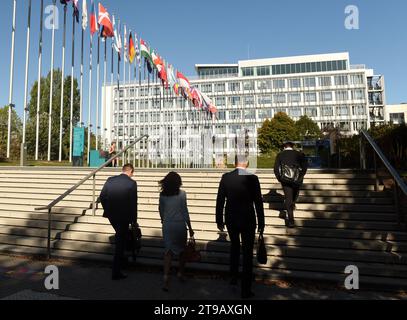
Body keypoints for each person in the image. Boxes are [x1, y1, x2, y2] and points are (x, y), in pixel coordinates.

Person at [216, 156, 265, 299]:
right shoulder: (252, 178)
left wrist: (219, 219)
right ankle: (246, 289)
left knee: (235, 247)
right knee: (248, 252)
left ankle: (233, 277)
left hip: (231, 218)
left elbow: (220, 199)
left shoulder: (226, 177)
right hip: (248, 218)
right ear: (247, 163)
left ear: (235, 163)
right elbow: (258, 202)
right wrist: (261, 222)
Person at [99, 164, 138, 280]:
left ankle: (122, 262)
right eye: (132, 173)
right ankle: (116, 271)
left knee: (121, 237)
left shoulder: (110, 180)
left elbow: (102, 196)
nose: (132, 175)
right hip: (124, 216)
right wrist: (134, 220)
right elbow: (133, 203)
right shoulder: (132, 183)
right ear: (130, 171)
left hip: (112, 215)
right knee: (120, 242)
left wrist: (108, 209)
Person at [159, 172, 194, 292]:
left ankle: (165, 277)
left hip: (168, 225)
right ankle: (180, 272)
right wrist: (190, 227)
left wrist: (164, 221)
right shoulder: (182, 194)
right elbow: (185, 211)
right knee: (181, 251)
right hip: (179, 225)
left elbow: (161, 210)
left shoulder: (162, 195)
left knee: (168, 252)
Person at [274, 141, 308, 228]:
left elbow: (275, 168)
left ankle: (291, 221)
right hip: (297, 179)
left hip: (285, 180)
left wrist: (279, 178)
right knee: (295, 195)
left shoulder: (280, 154)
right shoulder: (299, 154)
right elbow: (304, 167)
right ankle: (293, 203)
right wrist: (300, 177)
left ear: (284, 146)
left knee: (288, 198)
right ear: (293, 146)